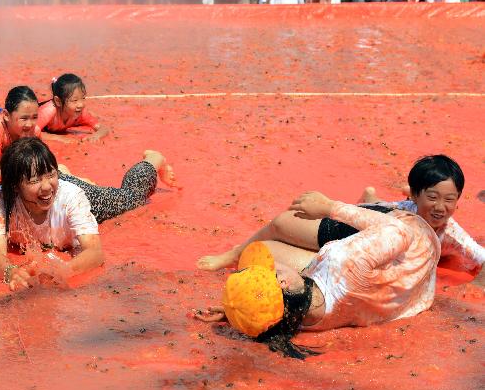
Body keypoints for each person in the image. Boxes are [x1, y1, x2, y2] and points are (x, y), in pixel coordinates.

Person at [197, 191, 441, 359]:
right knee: (283, 224)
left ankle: (369, 200)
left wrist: (240, 311)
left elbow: (268, 317)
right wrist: (329, 206)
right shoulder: (346, 261)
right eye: (270, 272)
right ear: (283, 282)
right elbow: (399, 232)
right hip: (417, 239)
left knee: (268, 247)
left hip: (398, 294)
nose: (271, 266)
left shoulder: (296, 318)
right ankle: (371, 201)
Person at [197, 155, 485, 287]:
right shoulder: (402, 211)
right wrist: (327, 207)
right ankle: (232, 254)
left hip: (358, 257)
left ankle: (363, 200)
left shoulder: (452, 234)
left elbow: (480, 257)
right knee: (281, 224)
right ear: (415, 195)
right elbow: (365, 216)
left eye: (450, 199)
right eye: (432, 197)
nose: (441, 207)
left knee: (264, 254)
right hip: (356, 225)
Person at [0, 137, 103, 291]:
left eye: (50, 174)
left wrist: (61, 271)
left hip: (90, 198)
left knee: (130, 196)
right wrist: (11, 272)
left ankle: (146, 162)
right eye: (34, 181)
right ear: (15, 186)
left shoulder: (72, 197)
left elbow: (95, 252)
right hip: (58, 186)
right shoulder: (0, 199)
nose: (46, 186)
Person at [56, 149, 180, 223]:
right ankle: (67, 175)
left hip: (87, 198)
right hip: (58, 181)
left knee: (133, 197)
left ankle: (154, 158)